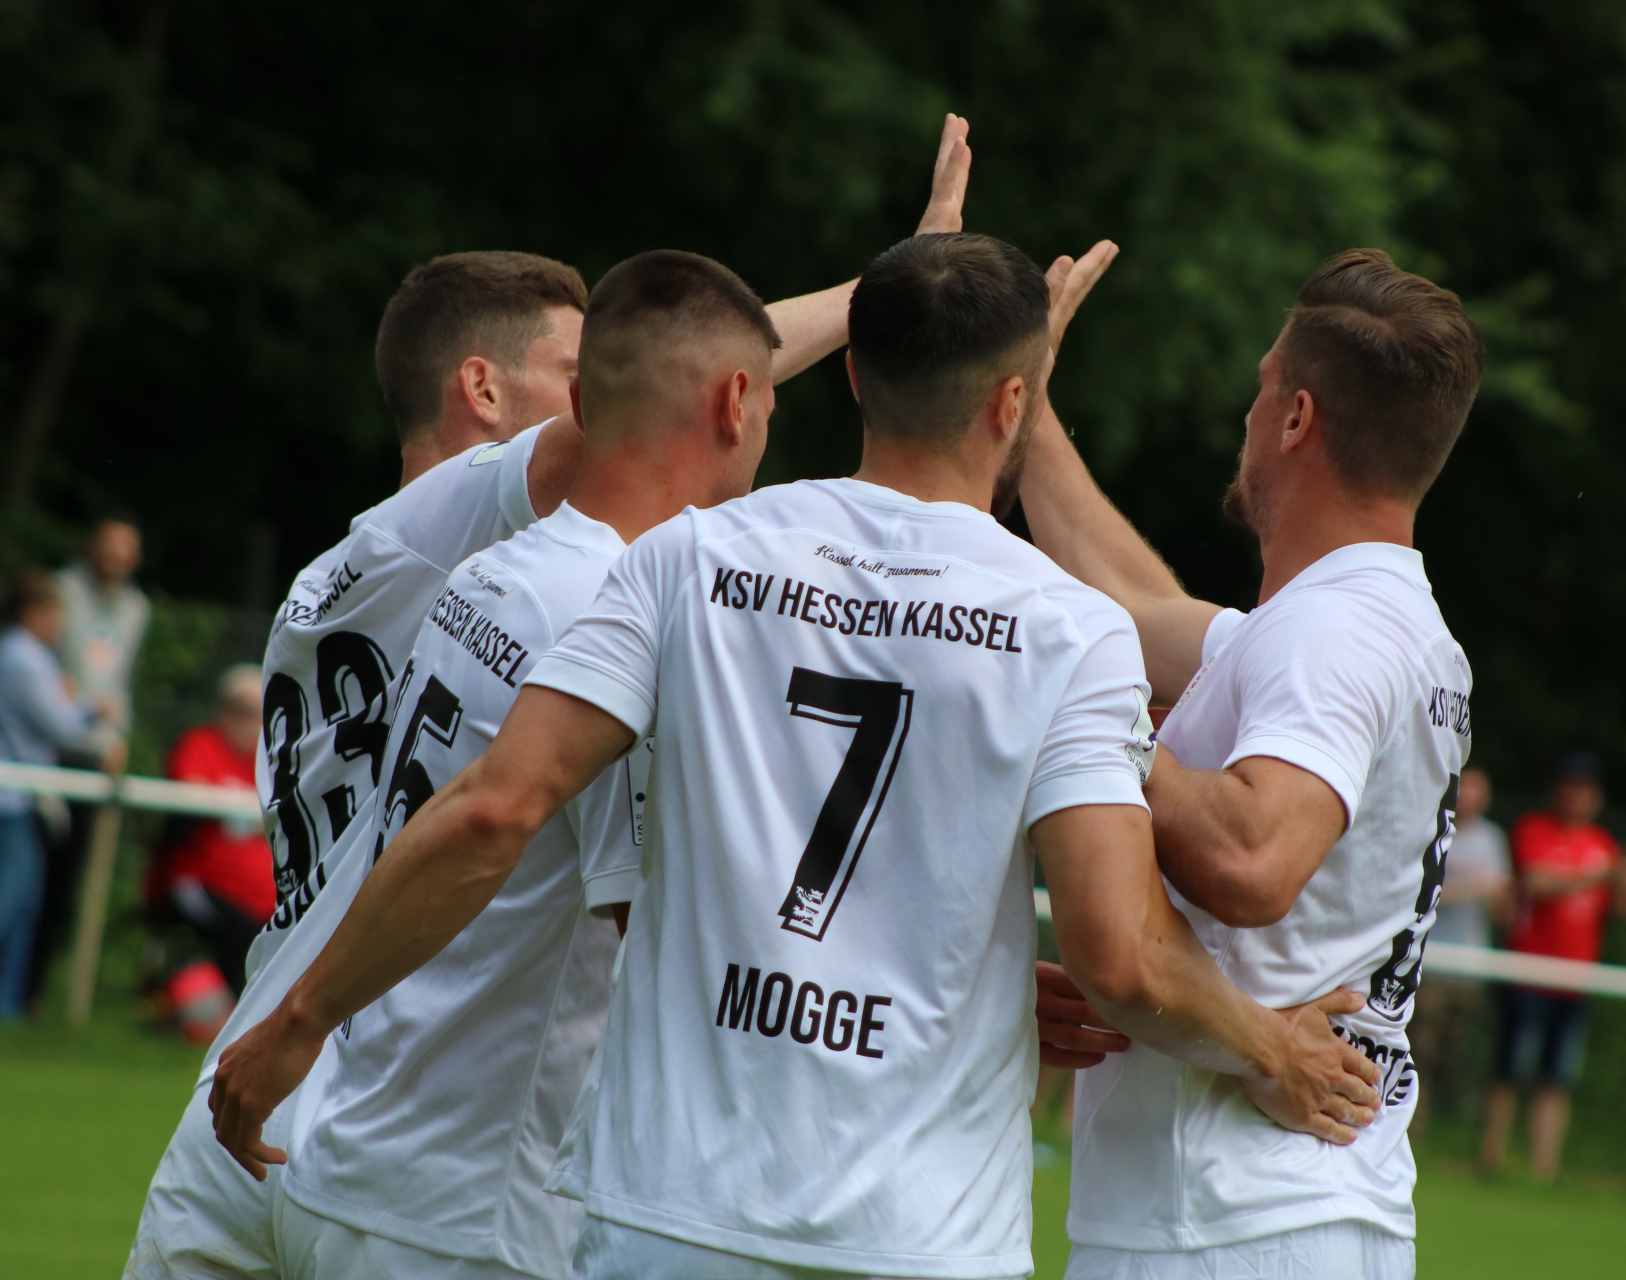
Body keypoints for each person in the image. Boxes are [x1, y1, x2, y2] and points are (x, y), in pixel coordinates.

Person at [209, 231, 1381, 1280]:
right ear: (1014, 403)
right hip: (919, 1233)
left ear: (855, 374)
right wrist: (1270, 1045)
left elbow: (494, 807)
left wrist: (300, 1017)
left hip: (671, 1210)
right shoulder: (1069, 627)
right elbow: (1116, 955)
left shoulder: (687, 557)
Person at [127, 116, 977, 1280]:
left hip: (272, 1091)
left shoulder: (400, 577)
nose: (595, 392)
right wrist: (896, 294)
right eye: (579, 370)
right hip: (410, 1131)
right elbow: (675, 389)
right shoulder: (477, 540)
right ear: (482, 389)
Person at [277, 250, 788, 1280]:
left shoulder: (491, 573)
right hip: (477, 1206)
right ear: (737, 402)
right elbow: (666, 931)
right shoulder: (629, 611)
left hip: (362, 1154)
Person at [1020, 247, 1483, 1277]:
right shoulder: (1363, 619)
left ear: (1295, 418)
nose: (1247, 411)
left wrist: (1091, 721)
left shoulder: (1335, 636)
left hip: (1228, 1214)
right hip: (1300, 1203)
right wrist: (1028, 405)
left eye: (1262, 385)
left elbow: (1253, 858)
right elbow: (1129, 606)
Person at [0, 570, 107, 1019]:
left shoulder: (27, 656)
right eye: (56, 613)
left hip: (16, 797)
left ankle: (0, 1007)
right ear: (35, 613)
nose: (60, 623)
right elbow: (61, 725)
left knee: (22, 906)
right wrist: (88, 707)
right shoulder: (21, 658)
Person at [1479, 750, 1626, 1181]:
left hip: (1576, 976)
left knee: (1557, 1075)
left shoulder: (1601, 844)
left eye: (1585, 789)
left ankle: (1544, 1168)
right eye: (1570, 786)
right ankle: (1491, 1158)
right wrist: (1602, 876)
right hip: (1528, 968)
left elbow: (1621, 910)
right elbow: (1536, 883)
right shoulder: (1535, 829)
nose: (1576, 796)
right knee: (1509, 1067)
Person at [28, 512, 151, 1009]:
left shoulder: (137, 609)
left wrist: (118, 736)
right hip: (47, 748)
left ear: (134, 558)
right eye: (107, 545)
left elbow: (117, 681)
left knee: (67, 884)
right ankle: (5, 990)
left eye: (124, 548)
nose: (113, 557)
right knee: (29, 878)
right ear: (91, 546)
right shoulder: (61, 591)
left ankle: (32, 995)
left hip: (95, 755)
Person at [146, 665, 274, 998]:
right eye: (238, 708)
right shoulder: (201, 744)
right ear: (223, 709)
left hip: (263, 892)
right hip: (201, 879)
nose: (245, 720)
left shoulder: (269, 761)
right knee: (239, 931)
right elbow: (191, 791)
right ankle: (228, 1008)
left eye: (254, 712)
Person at [1409, 765, 1510, 1131]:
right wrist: (1472, 889)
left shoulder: (1492, 839)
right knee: (1419, 1048)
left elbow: (1501, 902)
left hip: (1470, 965)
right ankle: (1411, 1124)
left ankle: (1442, 1127)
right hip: (1429, 960)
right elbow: (1422, 892)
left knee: (1452, 1055)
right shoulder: (1431, 827)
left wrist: (1500, 898)